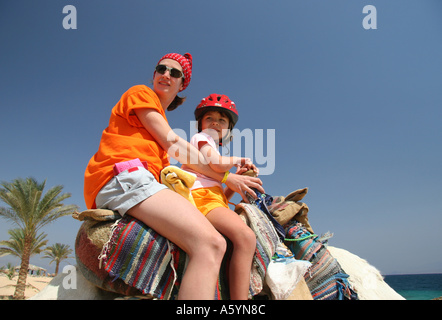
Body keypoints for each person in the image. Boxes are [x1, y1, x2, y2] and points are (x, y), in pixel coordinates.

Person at [83, 53, 264, 300]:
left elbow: (180, 159)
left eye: (175, 73)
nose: (166, 74)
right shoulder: (141, 93)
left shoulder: (158, 129)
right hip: (125, 176)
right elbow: (172, 142)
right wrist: (227, 176)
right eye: (162, 69)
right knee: (212, 244)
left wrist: (227, 181)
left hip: (137, 179)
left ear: (182, 85)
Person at [181, 94, 258, 300]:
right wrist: (237, 160)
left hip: (209, 197)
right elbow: (216, 164)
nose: (215, 122)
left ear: (228, 130)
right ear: (201, 125)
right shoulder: (201, 138)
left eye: (221, 120)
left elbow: (220, 194)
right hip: (202, 197)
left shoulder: (210, 147)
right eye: (210, 118)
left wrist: (235, 182)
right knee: (247, 237)